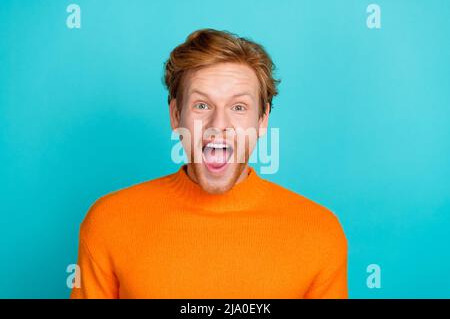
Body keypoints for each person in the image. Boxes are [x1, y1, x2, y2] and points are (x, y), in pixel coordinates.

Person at [70, 28, 348, 299]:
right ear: (176, 115)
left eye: (238, 107)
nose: (218, 125)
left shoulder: (319, 234)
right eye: (202, 105)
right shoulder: (109, 222)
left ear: (262, 120)